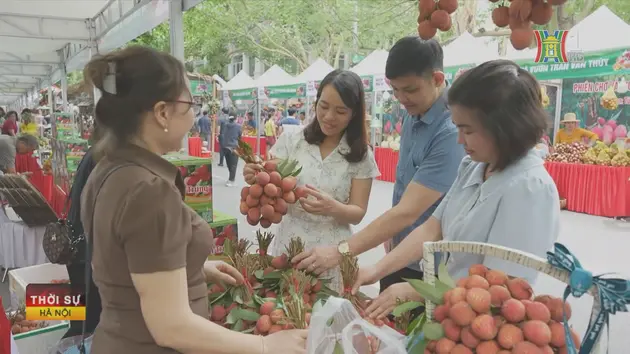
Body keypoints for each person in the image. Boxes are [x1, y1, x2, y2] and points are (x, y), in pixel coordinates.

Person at [80, 46, 306, 354]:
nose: (193, 115)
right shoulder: (149, 191)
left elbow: (126, 265)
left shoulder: (108, 171)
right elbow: (171, 327)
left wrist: (192, 269)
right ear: (162, 112)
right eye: (190, 104)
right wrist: (266, 346)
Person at [352, 60, 560, 319]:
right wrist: (375, 270)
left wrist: (417, 291)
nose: (459, 140)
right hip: (451, 312)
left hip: (482, 327)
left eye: (467, 130)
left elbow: (500, 289)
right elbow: (433, 227)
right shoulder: (473, 167)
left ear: (505, 128)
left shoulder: (529, 189)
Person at [292, 37, 464, 295]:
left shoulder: (450, 132)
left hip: (430, 267)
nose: (401, 98)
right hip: (397, 251)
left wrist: (341, 252)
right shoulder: (412, 112)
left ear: (437, 79)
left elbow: (409, 212)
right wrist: (390, 235)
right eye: (395, 89)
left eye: (409, 90)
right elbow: (404, 193)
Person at [243, 69, 379, 291]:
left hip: (332, 254)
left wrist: (333, 208)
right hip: (290, 245)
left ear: (353, 114)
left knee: (329, 318)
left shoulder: (361, 156)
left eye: (340, 111)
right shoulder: (292, 140)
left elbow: (358, 212)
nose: (329, 117)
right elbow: (270, 184)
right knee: (286, 314)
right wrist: (255, 176)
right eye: (323, 106)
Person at [62, 124, 104, 339]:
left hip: (79, 249)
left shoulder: (94, 153)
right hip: (88, 252)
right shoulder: (104, 158)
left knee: (82, 319)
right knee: (87, 324)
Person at [222, 114, 242, 187]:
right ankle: (231, 180)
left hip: (225, 146)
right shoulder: (238, 126)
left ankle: (230, 178)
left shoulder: (225, 125)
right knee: (233, 164)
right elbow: (240, 136)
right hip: (234, 147)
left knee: (229, 164)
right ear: (235, 118)